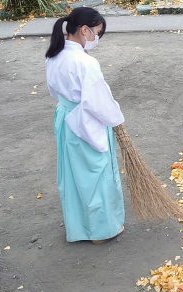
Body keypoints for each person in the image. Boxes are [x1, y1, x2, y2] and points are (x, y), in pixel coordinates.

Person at [45, 7, 125, 244]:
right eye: (96, 33)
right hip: (85, 123)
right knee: (96, 175)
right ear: (84, 30)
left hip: (66, 120)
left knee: (73, 175)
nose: (96, 39)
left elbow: (54, 91)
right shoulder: (85, 62)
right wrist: (117, 120)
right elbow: (97, 102)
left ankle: (79, 226)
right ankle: (100, 231)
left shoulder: (53, 55)